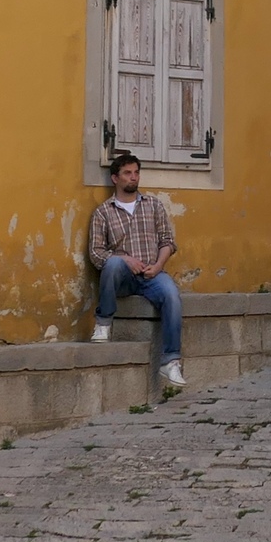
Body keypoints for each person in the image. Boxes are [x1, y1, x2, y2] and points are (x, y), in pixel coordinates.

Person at [87, 152, 185, 387]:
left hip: (152, 274)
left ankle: (170, 361)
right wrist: (125, 259)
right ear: (115, 178)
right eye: (127, 173)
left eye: (136, 173)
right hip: (122, 278)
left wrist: (158, 266)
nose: (134, 177)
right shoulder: (103, 212)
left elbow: (168, 242)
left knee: (172, 295)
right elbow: (96, 253)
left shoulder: (153, 205)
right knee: (112, 262)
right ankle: (103, 323)